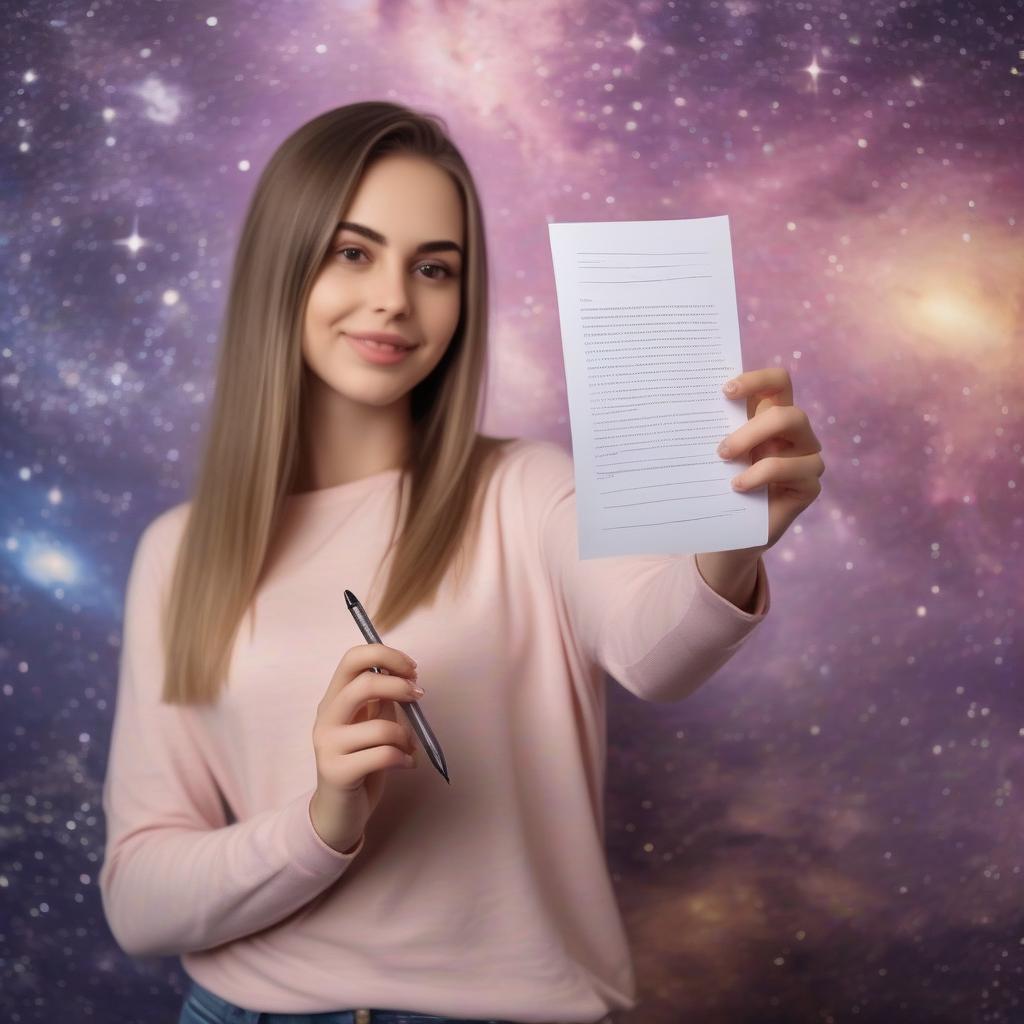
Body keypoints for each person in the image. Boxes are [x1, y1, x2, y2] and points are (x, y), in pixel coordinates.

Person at [99, 100, 819, 1024]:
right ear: (281, 265)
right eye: (353, 252)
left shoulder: (527, 491)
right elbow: (139, 901)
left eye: (434, 267)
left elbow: (660, 654)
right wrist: (323, 820)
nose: (396, 298)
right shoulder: (179, 553)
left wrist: (732, 540)